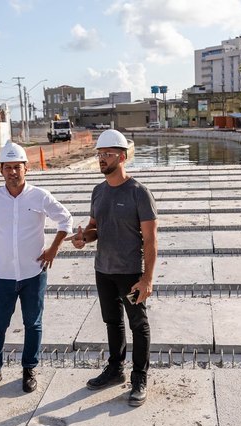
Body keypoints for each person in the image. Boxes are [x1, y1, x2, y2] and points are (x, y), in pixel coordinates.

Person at [0, 140, 72, 395]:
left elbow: (65, 219)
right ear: (0, 169)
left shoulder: (39, 196)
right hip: (2, 274)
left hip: (33, 273)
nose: (13, 172)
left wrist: (53, 249)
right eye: (8, 167)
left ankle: (29, 368)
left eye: (17, 167)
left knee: (32, 324)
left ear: (26, 168)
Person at [69, 129, 158, 407]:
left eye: (107, 154)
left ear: (122, 157)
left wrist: (147, 278)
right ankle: (115, 369)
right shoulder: (98, 191)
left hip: (131, 272)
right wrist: (85, 237)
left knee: (138, 325)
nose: (101, 159)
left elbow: (151, 239)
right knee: (112, 322)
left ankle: (139, 377)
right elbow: (96, 228)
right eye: (99, 154)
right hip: (103, 270)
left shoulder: (139, 193)